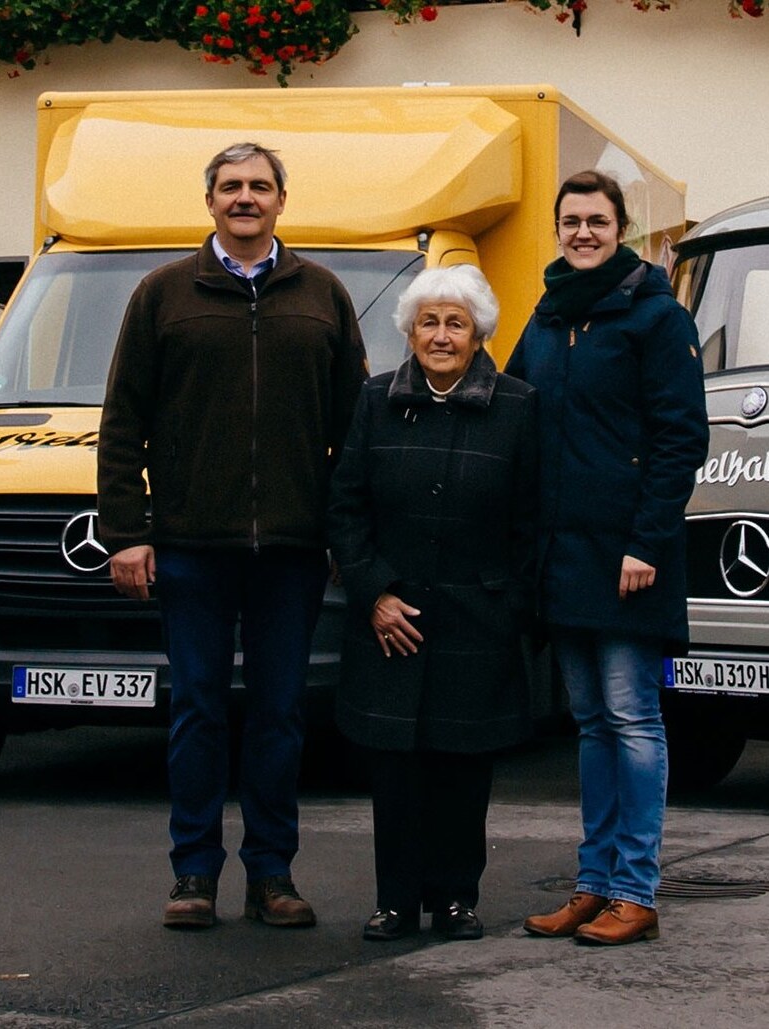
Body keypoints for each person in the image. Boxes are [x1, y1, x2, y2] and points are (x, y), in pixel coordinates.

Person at [97, 142, 367, 930]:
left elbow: (354, 432)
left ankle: (272, 873)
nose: (244, 197)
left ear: (283, 200)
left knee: (281, 714)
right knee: (197, 714)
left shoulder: (322, 294)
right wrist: (127, 531)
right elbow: (123, 423)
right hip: (189, 546)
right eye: (230, 186)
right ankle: (193, 874)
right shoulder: (162, 294)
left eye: (259, 186)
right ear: (209, 201)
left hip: (292, 549)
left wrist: (346, 537)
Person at [507, 170, 709, 946]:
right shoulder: (548, 316)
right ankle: (592, 885)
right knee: (591, 723)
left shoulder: (657, 318)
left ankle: (636, 889)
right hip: (563, 558)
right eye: (570, 221)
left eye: (596, 220)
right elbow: (515, 414)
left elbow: (679, 439)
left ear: (620, 227)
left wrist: (646, 542)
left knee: (632, 718)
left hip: (629, 560)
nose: (582, 232)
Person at [327, 265, 537, 942]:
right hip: (391, 620)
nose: (441, 335)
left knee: (461, 767)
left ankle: (454, 898)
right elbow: (346, 505)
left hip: (478, 620)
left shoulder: (518, 405)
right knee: (394, 770)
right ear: (409, 331)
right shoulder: (375, 399)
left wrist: (509, 606)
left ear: (478, 333)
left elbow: (533, 521)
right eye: (429, 321)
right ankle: (395, 900)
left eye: (455, 322)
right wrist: (374, 592)